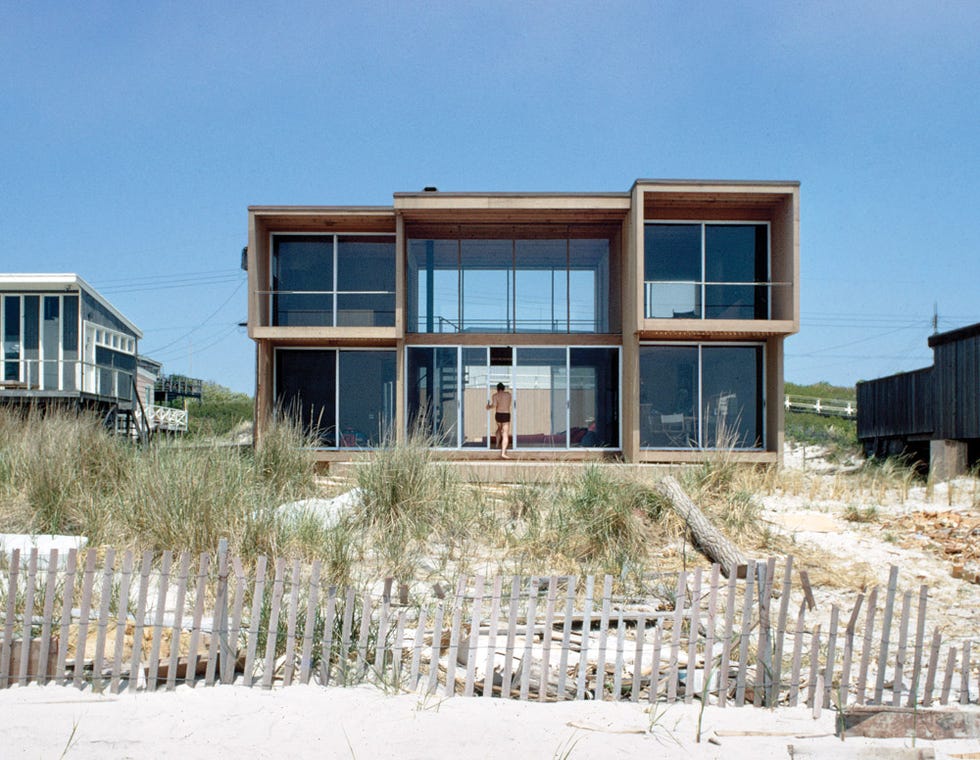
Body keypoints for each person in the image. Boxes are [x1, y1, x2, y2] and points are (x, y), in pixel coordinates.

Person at [486, 382, 512, 459]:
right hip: (506, 414)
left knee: (499, 429)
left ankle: (497, 444)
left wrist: (488, 407)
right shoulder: (508, 395)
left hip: (498, 414)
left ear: (497, 389)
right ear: (503, 388)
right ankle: (503, 453)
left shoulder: (495, 395)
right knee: (505, 433)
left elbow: (494, 405)